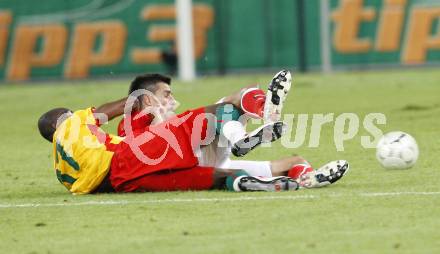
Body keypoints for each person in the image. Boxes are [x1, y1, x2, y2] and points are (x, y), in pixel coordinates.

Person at [116, 71, 349, 184]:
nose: (171, 98)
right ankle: (256, 121)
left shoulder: (166, 116)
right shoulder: (133, 120)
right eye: (166, 94)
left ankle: (307, 179)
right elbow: (146, 146)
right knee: (231, 103)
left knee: (295, 162)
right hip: (189, 160)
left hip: (206, 155)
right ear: (147, 98)